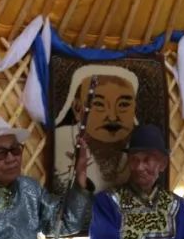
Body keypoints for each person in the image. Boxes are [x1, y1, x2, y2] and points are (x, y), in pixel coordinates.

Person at [53, 64, 139, 193]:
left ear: (134, 109)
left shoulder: (141, 146)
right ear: (77, 108)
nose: (112, 117)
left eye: (123, 104)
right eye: (99, 104)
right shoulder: (62, 138)